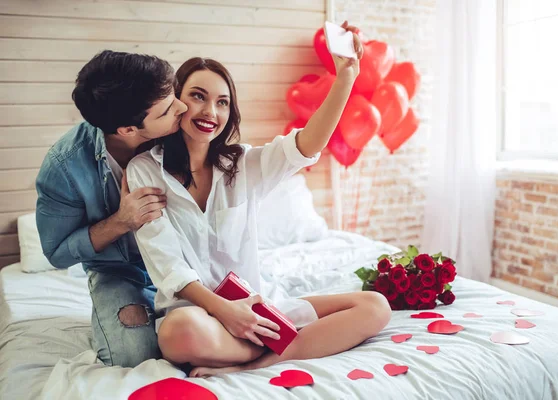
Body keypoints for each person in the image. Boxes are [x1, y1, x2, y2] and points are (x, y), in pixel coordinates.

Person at [126, 21, 392, 377]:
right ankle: (279, 347)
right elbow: (168, 265)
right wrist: (225, 312)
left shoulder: (243, 163)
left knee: (376, 306)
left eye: (223, 102)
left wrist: (346, 76)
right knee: (177, 334)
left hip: (256, 310)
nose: (211, 112)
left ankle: (260, 361)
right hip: (197, 315)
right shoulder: (144, 170)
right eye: (198, 96)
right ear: (177, 102)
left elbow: (306, 146)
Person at [35, 50, 188, 368]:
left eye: (174, 95)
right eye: (168, 109)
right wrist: (121, 221)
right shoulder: (64, 167)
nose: (183, 107)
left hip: (188, 257)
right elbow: (57, 254)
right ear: (128, 130)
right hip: (121, 271)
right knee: (135, 356)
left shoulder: (182, 130)